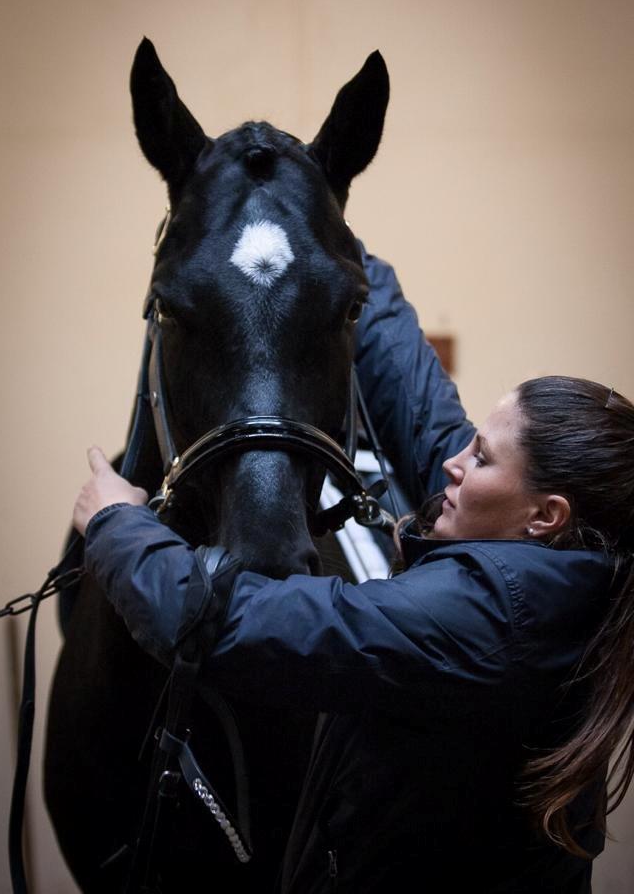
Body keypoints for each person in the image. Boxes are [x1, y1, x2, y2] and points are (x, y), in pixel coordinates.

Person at [72, 251, 634, 893]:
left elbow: (228, 623)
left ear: (545, 515)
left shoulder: (484, 622)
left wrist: (117, 524)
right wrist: (342, 254)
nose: (454, 461)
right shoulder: (564, 572)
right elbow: (425, 416)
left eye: (481, 456)